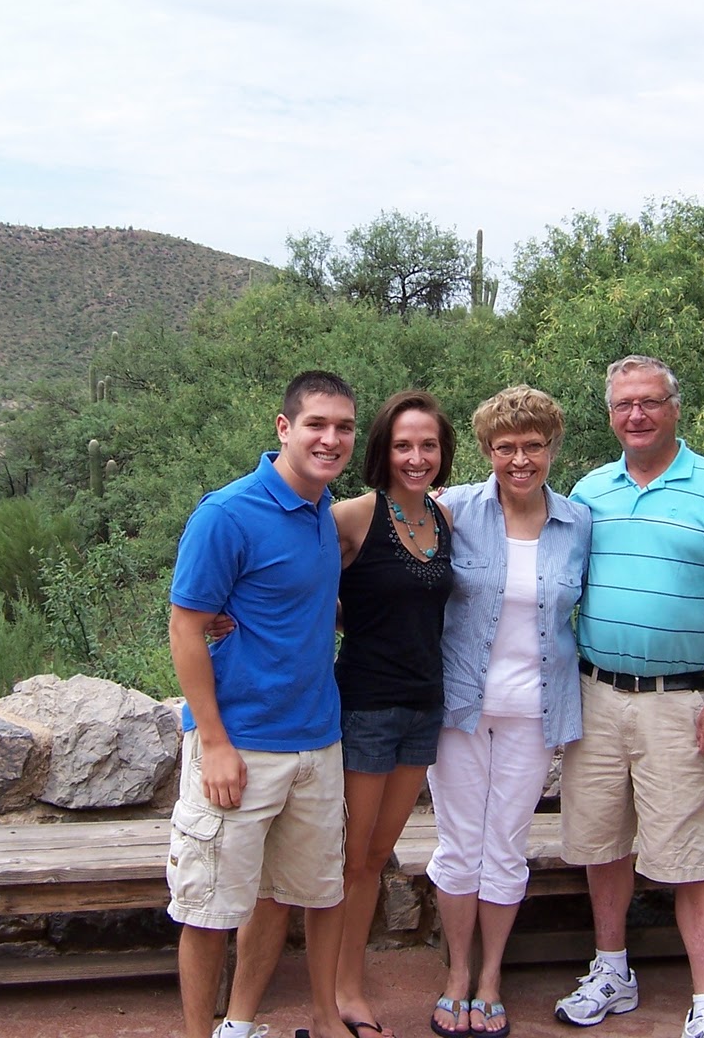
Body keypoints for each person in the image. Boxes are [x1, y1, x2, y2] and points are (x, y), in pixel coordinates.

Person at [554, 355, 704, 1038]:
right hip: (594, 694)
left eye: (650, 401)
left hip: (679, 703)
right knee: (601, 844)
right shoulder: (590, 491)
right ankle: (612, 971)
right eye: (624, 404)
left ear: (675, 408)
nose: (637, 415)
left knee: (689, 855)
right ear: (609, 414)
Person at [166, 370, 359, 1038]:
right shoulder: (227, 514)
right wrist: (214, 743)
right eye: (316, 424)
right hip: (240, 743)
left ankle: (240, 1025)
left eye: (343, 427)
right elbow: (185, 627)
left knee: (279, 897)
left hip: (316, 741)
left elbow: (304, 604)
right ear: (284, 427)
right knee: (208, 910)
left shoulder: (320, 512)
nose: (330, 439)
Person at [426, 385, 592, 1038]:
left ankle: (491, 977)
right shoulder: (451, 509)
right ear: (486, 450)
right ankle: (457, 975)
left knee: (506, 847)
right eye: (505, 447)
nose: (519, 459)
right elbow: (389, 562)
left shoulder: (578, 523)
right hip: (459, 707)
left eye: (532, 446)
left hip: (535, 712)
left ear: (552, 447)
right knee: (458, 845)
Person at [330, 390, 458, 1038]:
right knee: (353, 860)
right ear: (384, 450)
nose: (416, 457)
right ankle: (344, 989)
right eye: (404, 445)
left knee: (380, 854)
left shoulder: (444, 518)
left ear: (442, 452)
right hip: (366, 707)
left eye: (428, 445)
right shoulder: (354, 516)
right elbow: (298, 582)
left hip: (423, 708)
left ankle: (343, 976)